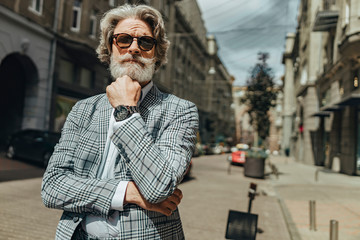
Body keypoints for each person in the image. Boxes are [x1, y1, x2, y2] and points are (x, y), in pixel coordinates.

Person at [41, 4, 198, 240]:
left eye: (146, 42)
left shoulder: (180, 111)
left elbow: (159, 188)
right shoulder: (83, 109)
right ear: (110, 48)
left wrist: (126, 111)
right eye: (123, 39)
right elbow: (52, 188)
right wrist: (128, 192)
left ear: (156, 55)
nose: (134, 48)